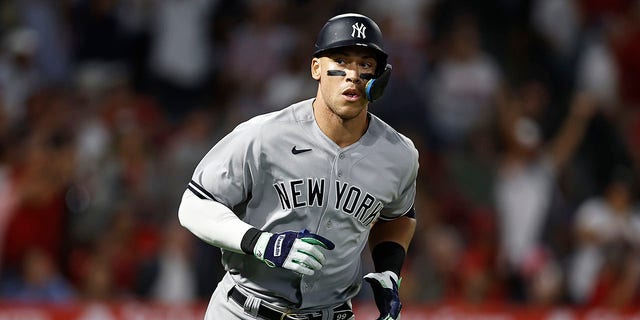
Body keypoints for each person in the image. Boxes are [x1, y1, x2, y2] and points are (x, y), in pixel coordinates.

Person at [178, 13, 418, 320]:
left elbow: (398, 216)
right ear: (316, 68)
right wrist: (260, 242)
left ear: (379, 77)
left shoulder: (399, 154)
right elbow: (195, 205)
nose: (353, 75)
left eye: (365, 64)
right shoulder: (264, 135)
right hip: (244, 309)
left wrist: (388, 271)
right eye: (341, 61)